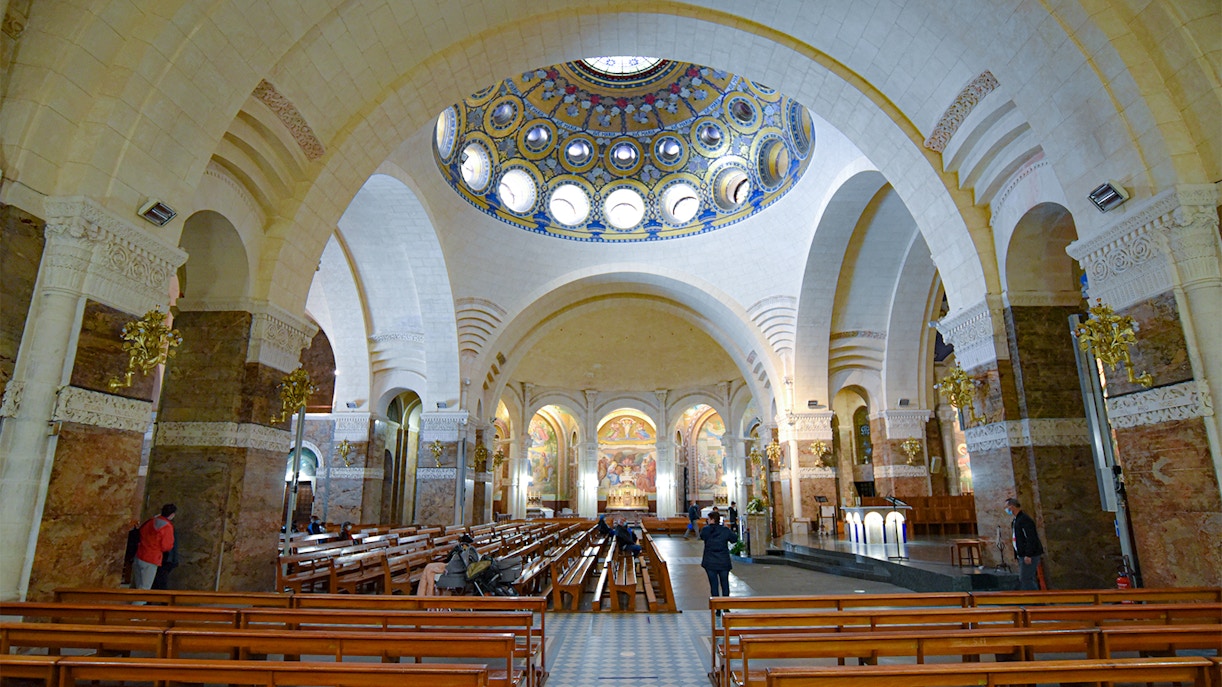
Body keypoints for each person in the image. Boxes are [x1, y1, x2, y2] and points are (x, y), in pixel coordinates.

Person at [132, 504, 176, 591]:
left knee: (138, 587)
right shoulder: (167, 526)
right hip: (152, 558)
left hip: (139, 554)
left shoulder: (151, 521)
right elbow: (166, 546)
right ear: (172, 515)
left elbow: (140, 533)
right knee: (145, 588)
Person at [700, 511, 739, 604]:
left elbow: (702, 536)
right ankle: (726, 606)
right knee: (725, 584)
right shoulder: (725, 530)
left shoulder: (706, 530)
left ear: (712, 520)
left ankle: (716, 607)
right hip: (723, 561)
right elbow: (734, 539)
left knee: (714, 585)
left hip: (710, 561)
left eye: (708, 519)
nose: (707, 521)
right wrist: (727, 528)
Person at [1005, 498, 1044, 590]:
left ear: (1012, 507)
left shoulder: (1025, 520)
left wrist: (1028, 554)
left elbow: (1031, 537)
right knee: (1026, 578)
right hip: (1022, 554)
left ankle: (1034, 598)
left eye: (1006, 507)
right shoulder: (1016, 520)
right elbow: (1017, 538)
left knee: (1026, 579)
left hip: (1029, 555)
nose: (1006, 509)